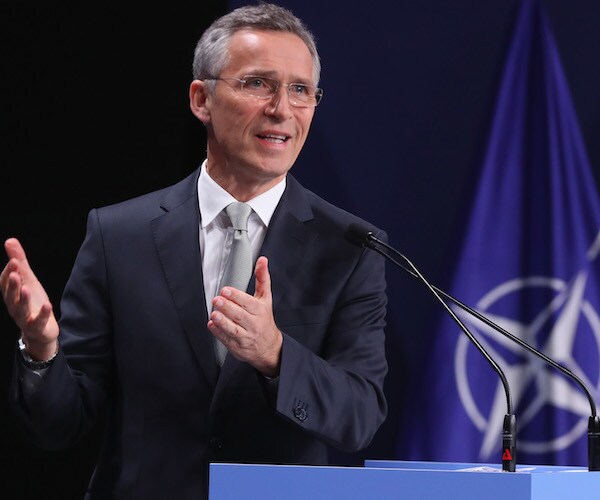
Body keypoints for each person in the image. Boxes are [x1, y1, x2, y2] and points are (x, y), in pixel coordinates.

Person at [1, 3, 388, 499]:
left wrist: (275, 355)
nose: (282, 109)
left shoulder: (351, 247)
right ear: (201, 99)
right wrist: (41, 349)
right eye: (257, 84)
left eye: (300, 90)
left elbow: (359, 417)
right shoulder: (119, 235)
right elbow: (60, 424)